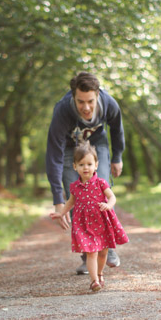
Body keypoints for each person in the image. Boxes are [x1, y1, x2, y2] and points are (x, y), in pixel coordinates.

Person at [46, 71, 125, 274]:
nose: (86, 107)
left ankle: (108, 247)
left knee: (101, 187)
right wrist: (58, 199)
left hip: (97, 145)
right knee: (77, 193)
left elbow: (117, 128)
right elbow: (54, 154)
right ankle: (87, 253)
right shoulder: (62, 111)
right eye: (81, 101)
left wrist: (117, 157)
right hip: (69, 149)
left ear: (98, 95)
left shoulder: (109, 103)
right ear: (73, 96)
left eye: (90, 101)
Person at [50, 141, 129, 292]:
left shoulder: (101, 183)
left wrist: (108, 205)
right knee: (91, 252)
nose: (85, 167)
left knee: (103, 251)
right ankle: (94, 281)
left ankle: (99, 274)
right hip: (84, 224)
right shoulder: (74, 187)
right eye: (81, 164)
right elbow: (70, 202)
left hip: (101, 221)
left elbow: (112, 197)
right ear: (75, 167)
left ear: (96, 165)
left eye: (89, 164)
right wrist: (61, 213)